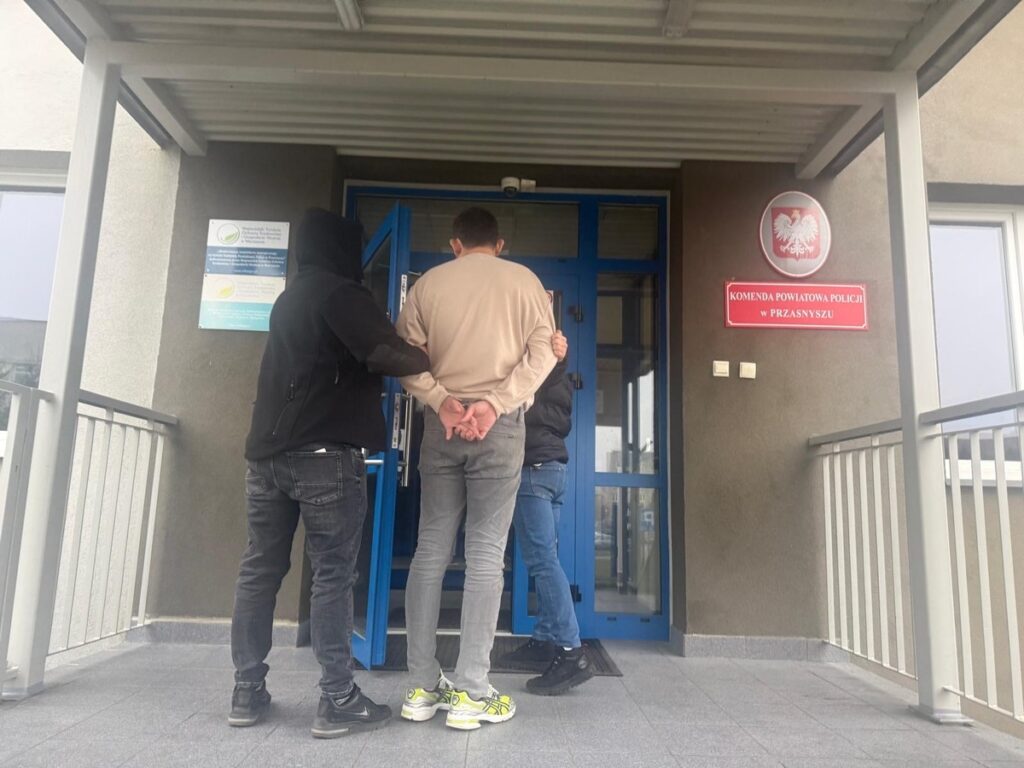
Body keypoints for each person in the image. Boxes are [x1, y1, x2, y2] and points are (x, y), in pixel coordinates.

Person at [229, 208, 430, 739]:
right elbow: (386, 353)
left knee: (260, 569)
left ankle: (246, 689)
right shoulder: (340, 293)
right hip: (322, 456)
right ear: (343, 249)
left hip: (266, 458)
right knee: (333, 575)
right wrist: (430, 354)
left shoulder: (290, 297)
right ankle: (338, 697)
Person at [395, 207, 557, 730]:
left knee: (430, 549)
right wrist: (494, 405)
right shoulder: (525, 282)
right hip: (500, 428)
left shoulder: (428, 285)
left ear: (456, 244)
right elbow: (543, 355)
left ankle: (421, 687)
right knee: (486, 553)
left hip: (441, 427)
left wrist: (443, 402)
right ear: (500, 244)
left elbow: (405, 357)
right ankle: (471, 692)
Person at [499, 336, 595, 695]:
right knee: (545, 559)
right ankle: (544, 639)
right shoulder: (561, 378)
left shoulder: (534, 376)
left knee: (542, 562)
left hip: (533, 471)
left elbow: (519, 414)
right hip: (554, 471)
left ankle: (571, 651)